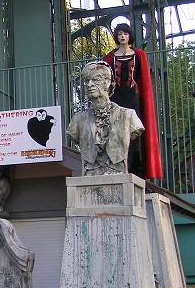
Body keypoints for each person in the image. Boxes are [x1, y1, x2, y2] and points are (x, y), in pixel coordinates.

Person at [102, 23, 163, 180]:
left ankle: (138, 174)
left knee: (135, 134)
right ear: (116, 36)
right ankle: (118, 170)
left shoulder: (139, 54)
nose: (123, 36)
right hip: (115, 98)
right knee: (115, 133)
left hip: (132, 98)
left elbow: (144, 81)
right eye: (120, 33)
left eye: (126, 34)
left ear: (130, 36)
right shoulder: (110, 57)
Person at [66, 61, 144, 176]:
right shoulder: (78, 120)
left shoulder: (128, 115)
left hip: (118, 174)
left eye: (95, 80)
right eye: (87, 81)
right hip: (89, 174)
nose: (89, 85)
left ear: (107, 83)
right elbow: (72, 134)